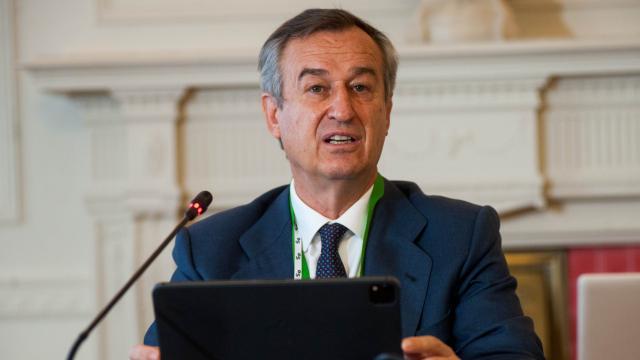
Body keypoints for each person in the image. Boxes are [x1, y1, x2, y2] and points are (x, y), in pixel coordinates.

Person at [130, 8, 544, 360]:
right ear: (274, 115)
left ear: (387, 111)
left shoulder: (460, 236)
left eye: (361, 87)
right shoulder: (210, 251)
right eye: (317, 88)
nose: (343, 109)